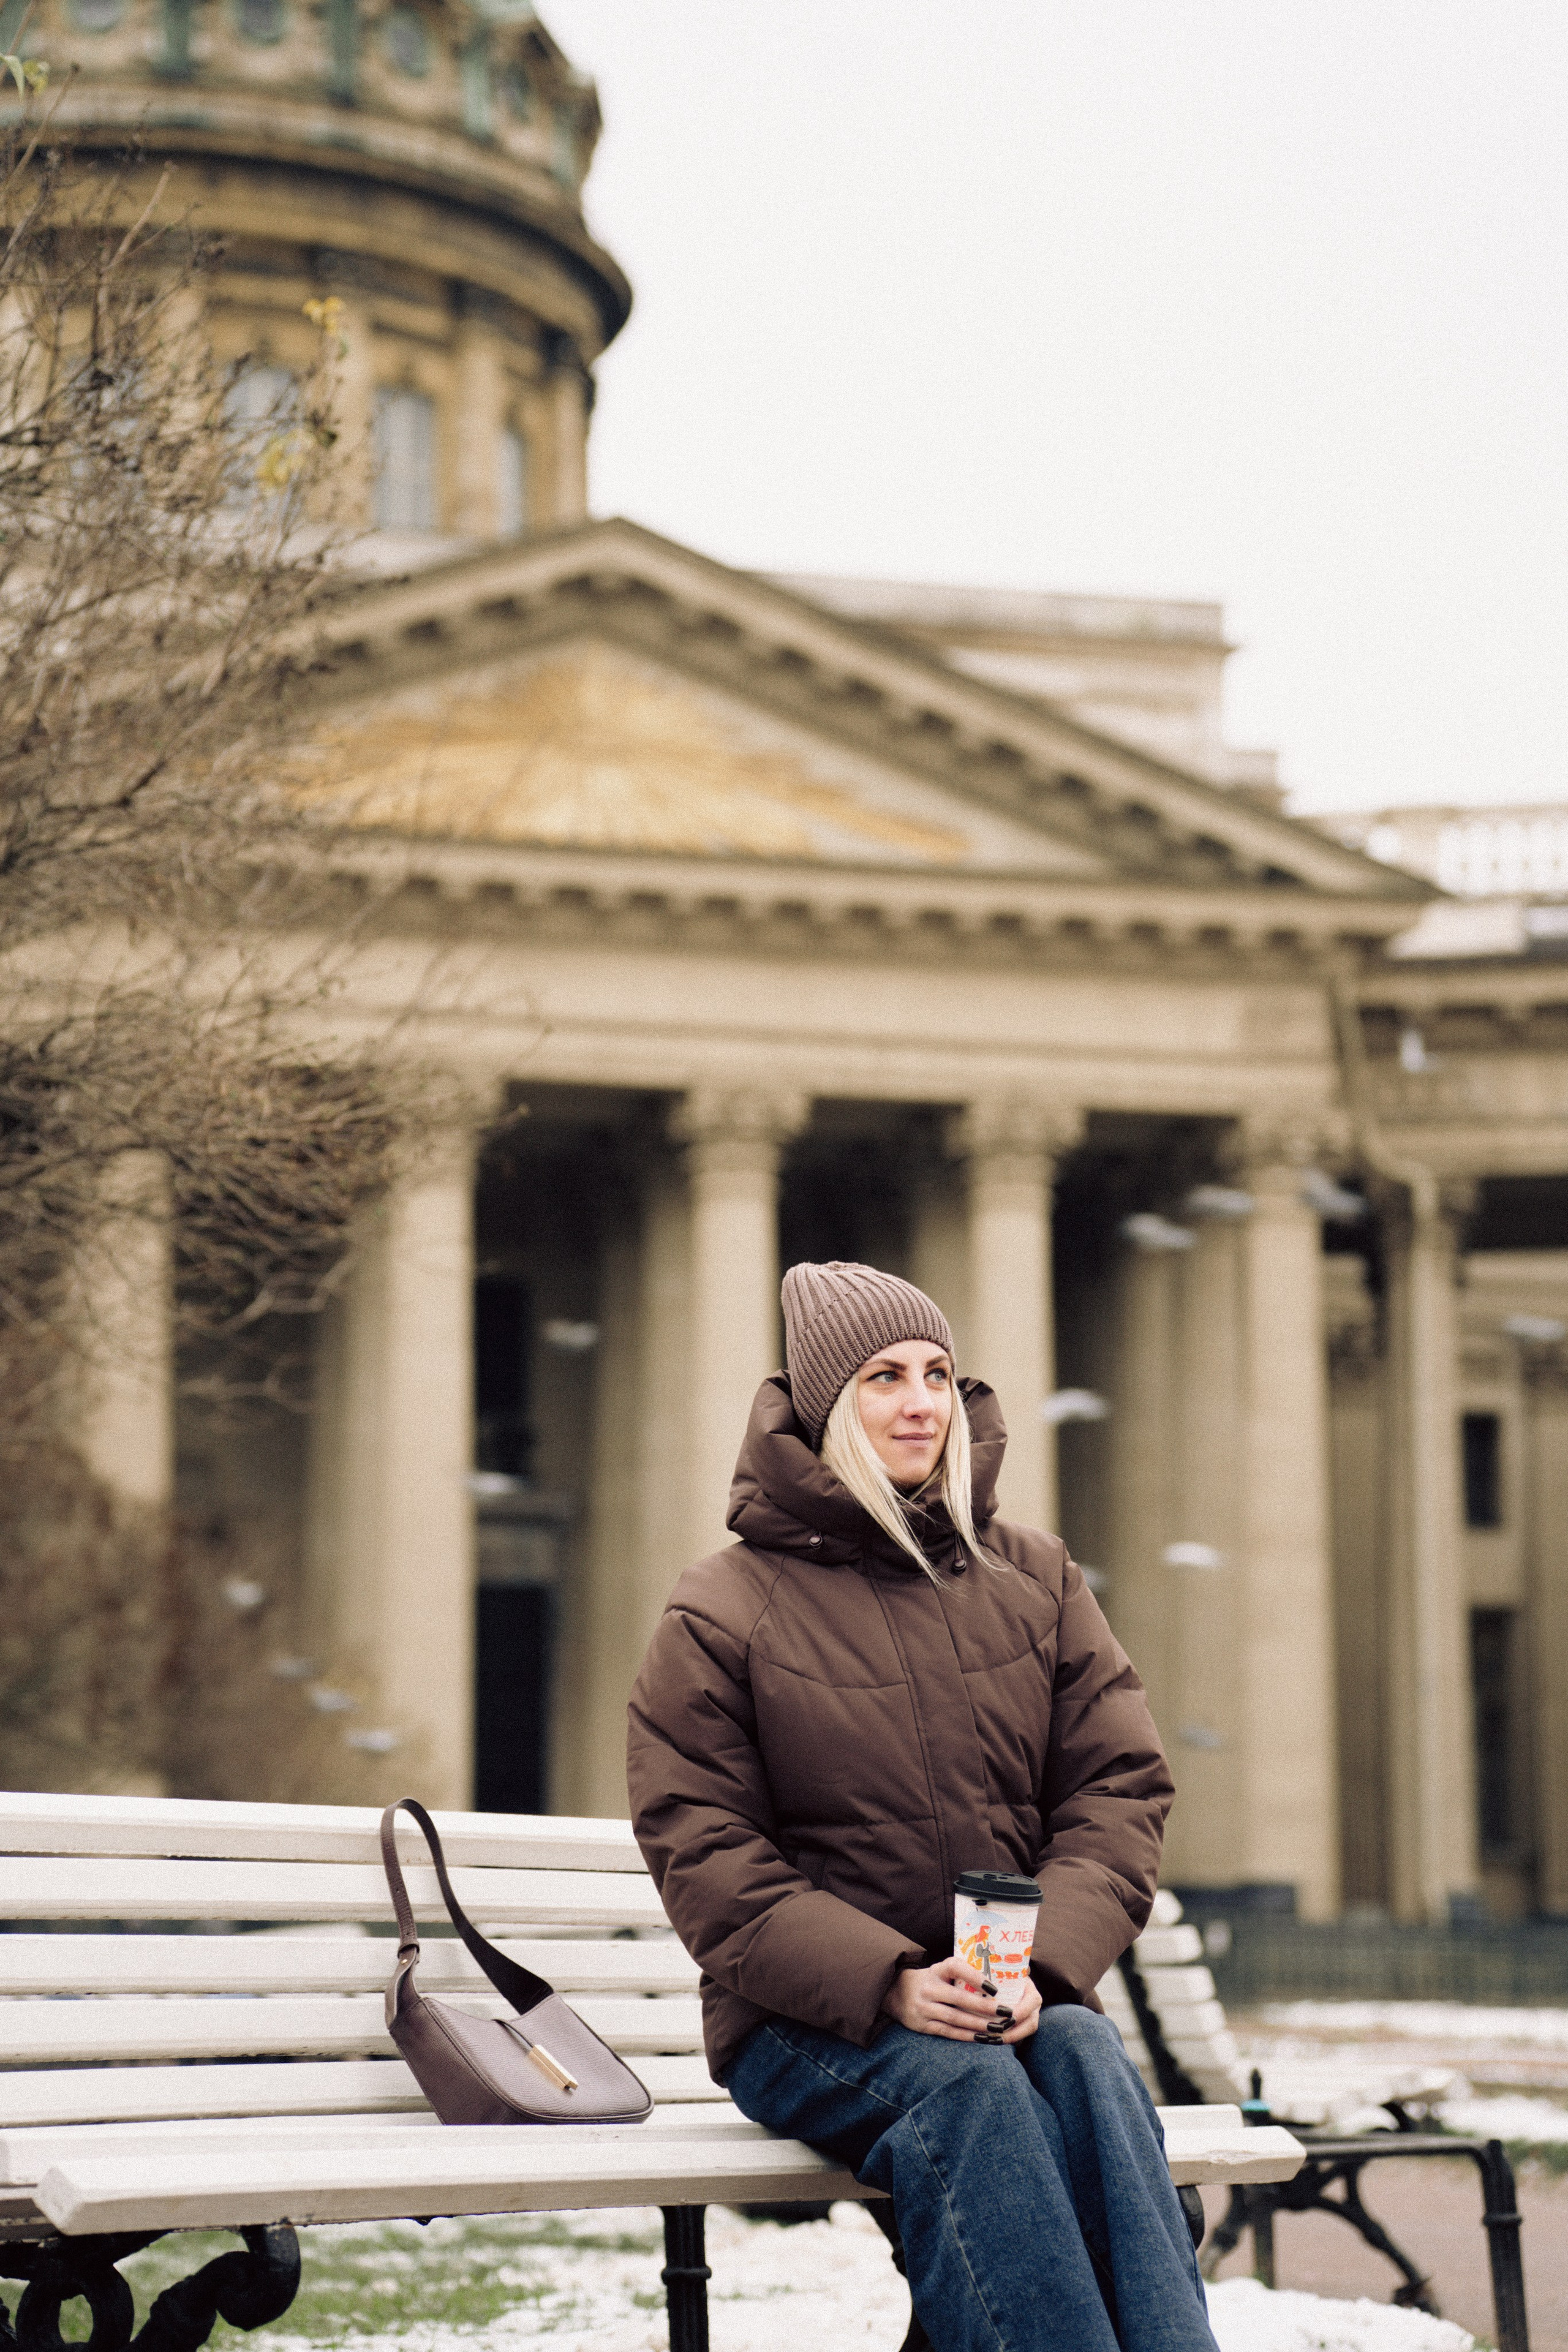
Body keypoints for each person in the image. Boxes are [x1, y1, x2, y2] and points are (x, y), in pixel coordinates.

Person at [627, 1259, 1218, 2352]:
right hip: (810, 2023)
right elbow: (705, 1851)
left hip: (1010, 2000)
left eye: (939, 1373)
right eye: (884, 1377)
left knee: (1087, 2058)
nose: (921, 1402)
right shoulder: (724, 1605)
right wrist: (890, 1981)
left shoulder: (1036, 1577)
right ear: (825, 1407)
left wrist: (1038, 1973)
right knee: (974, 2096)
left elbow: (1116, 1790)